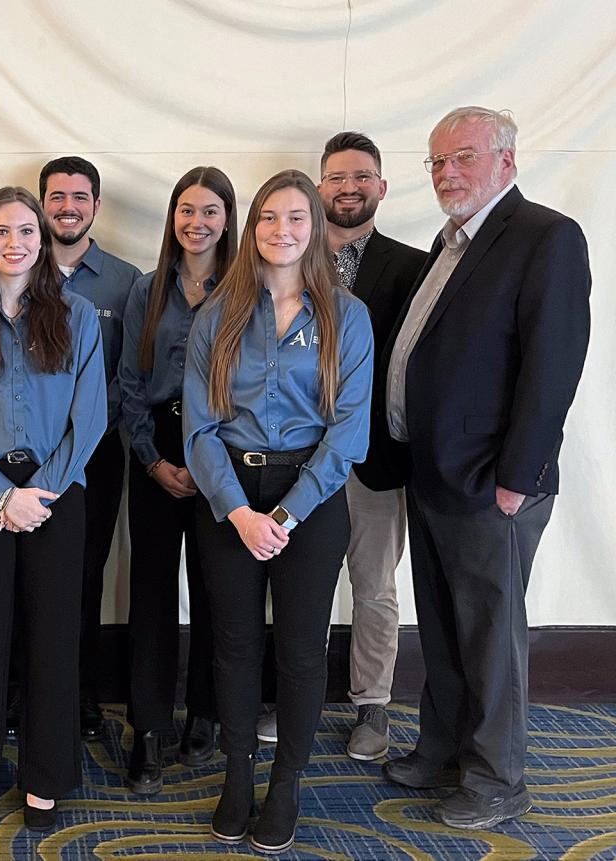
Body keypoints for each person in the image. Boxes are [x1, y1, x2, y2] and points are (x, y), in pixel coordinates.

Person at [380, 106, 590, 830]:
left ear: (506, 159)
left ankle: (499, 780)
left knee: (490, 636)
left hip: (492, 483)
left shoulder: (545, 237)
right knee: (443, 627)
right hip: (434, 471)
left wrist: (517, 476)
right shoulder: (452, 244)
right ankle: (442, 750)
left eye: (463, 158)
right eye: (437, 162)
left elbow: (552, 365)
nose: (447, 174)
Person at [183, 170, 373, 853]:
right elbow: (199, 429)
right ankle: (238, 774)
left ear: (315, 228)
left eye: (296, 217)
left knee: (299, 649)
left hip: (310, 503)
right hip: (230, 500)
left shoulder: (347, 317)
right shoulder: (219, 314)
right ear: (253, 227)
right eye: (268, 217)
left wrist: (285, 517)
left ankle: (286, 780)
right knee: (232, 646)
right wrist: (237, 511)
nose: (281, 230)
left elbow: (348, 432)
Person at [0, 186, 105, 833]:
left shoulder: (78, 315)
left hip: (57, 494)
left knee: (52, 639)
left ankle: (46, 776)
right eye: (2, 231)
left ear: (42, 239)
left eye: (26, 231)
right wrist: (3, 495)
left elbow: (90, 418)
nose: (15, 242)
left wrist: (38, 496)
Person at [117, 166, 235, 794]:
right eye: (186, 210)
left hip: (221, 448)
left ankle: (208, 712)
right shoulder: (147, 288)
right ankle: (150, 730)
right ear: (172, 218)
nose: (197, 222)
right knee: (153, 594)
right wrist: (151, 459)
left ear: (227, 218)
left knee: (218, 589)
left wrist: (211, 461)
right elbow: (130, 383)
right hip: (159, 449)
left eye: (209, 211)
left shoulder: (246, 285)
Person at [316, 132, 426, 761]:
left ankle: (372, 706)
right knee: (294, 581)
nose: (349, 188)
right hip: (300, 460)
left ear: (382, 187)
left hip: (377, 458)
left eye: (362, 177)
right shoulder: (289, 255)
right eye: (336, 177)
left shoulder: (414, 267)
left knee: (375, 587)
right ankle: (291, 693)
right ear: (319, 185)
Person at [39, 156, 141, 738]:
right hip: (19, 460)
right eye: (57, 196)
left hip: (94, 455)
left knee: (81, 575)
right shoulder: (17, 265)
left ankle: (79, 699)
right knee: (22, 576)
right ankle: (22, 692)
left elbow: (126, 376)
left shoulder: (124, 281)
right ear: (42, 204)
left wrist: (79, 435)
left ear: (96, 206)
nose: (68, 206)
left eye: (80, 197)